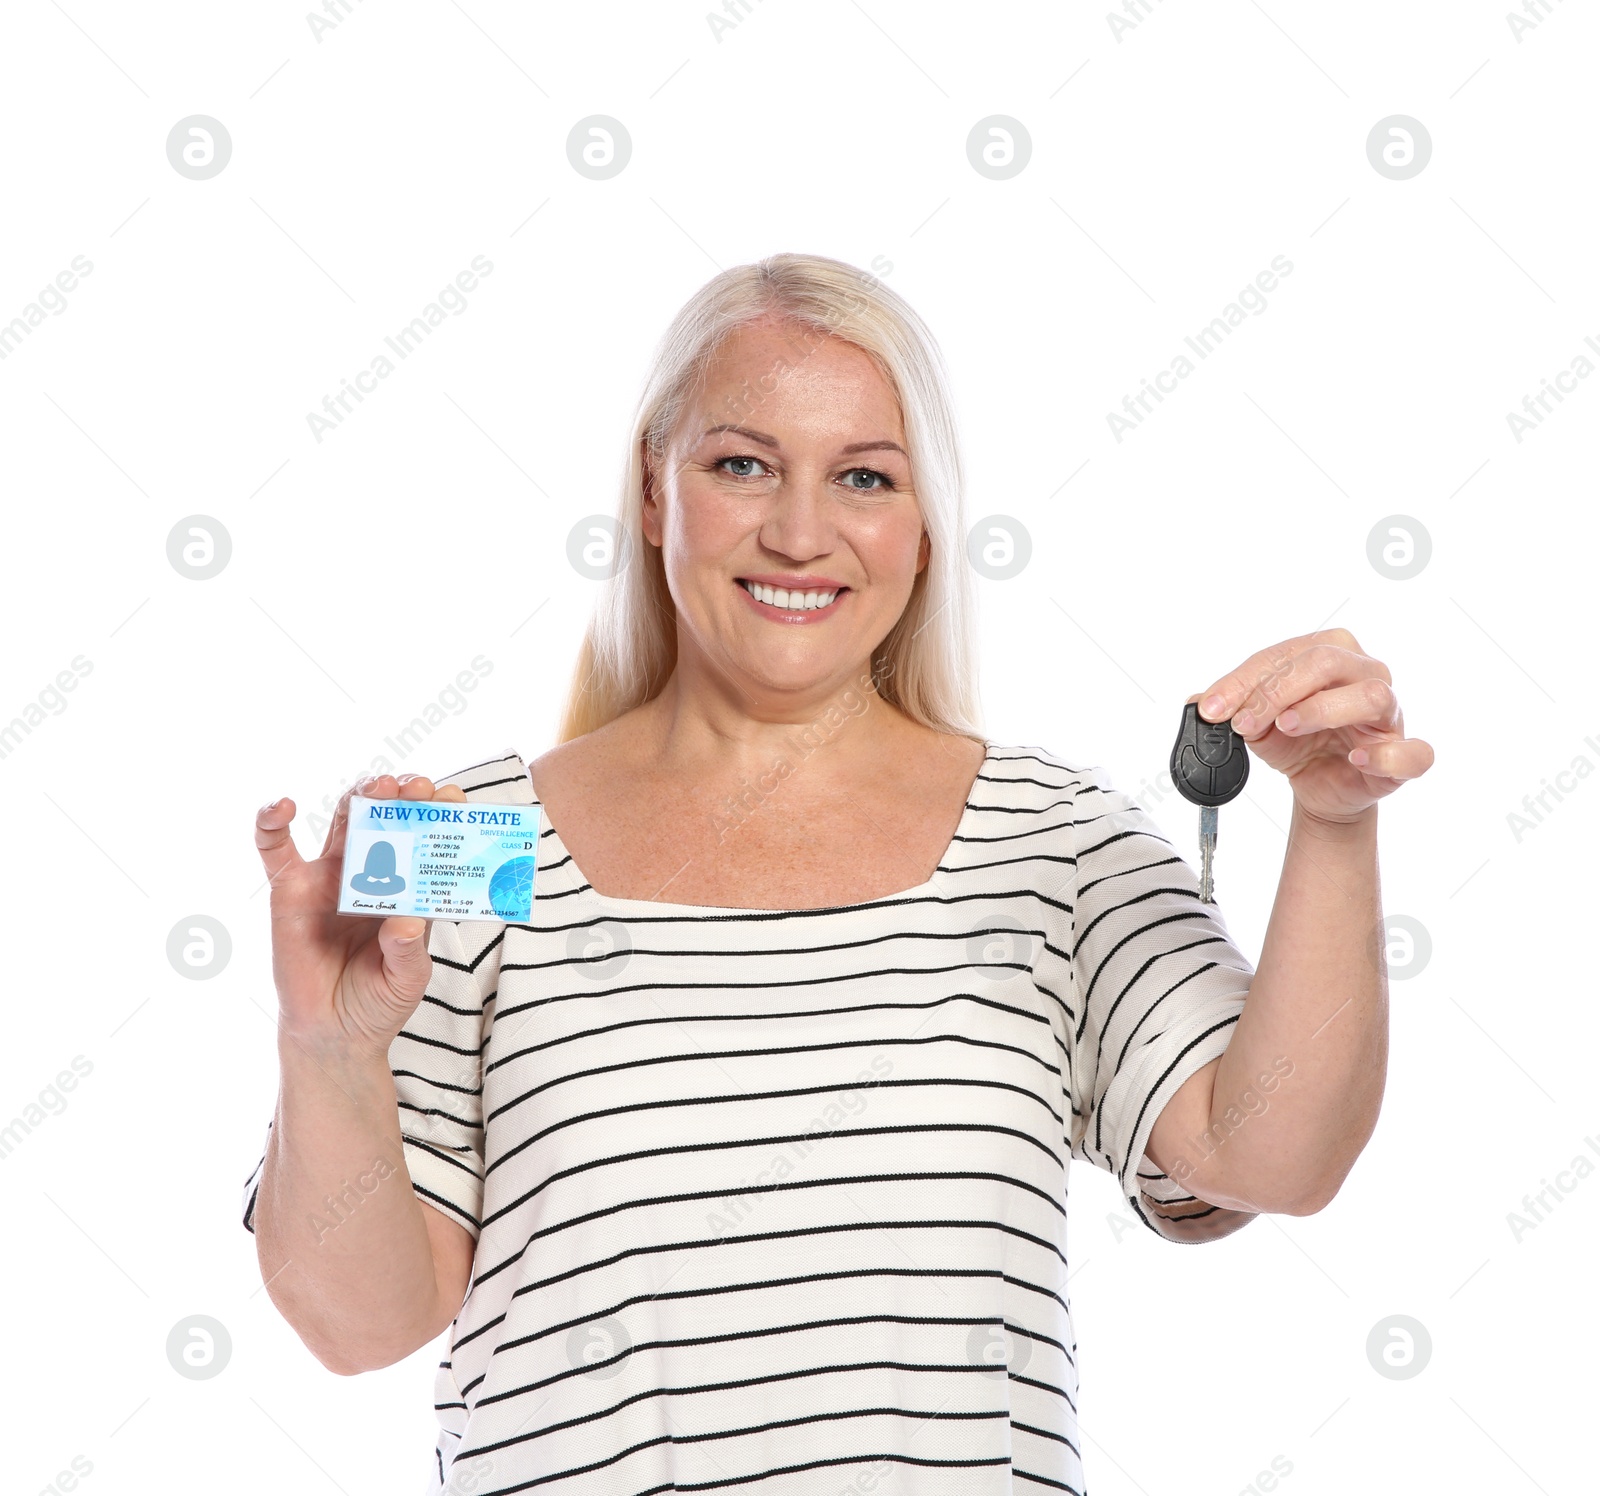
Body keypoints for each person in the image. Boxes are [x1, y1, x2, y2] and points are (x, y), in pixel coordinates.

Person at [242, 252, 1432, 1494]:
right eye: (741, 463)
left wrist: (1334, 823)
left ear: (922, 531)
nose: (800, 531)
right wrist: (326, 1048)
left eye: (863, 476)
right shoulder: (469, 848)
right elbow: (356, 1322)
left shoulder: (1055, 840)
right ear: (655, 492)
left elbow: (1274, 1158)